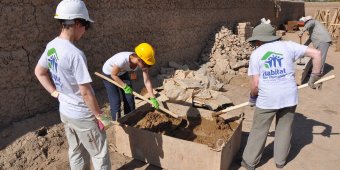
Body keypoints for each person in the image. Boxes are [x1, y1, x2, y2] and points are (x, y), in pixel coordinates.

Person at [34, 0, 111, 169]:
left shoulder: (52, 46)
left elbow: (39, 72)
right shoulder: (75, 54)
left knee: (76, 151)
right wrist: (99, 115)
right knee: (99, 153)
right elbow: (85, 93)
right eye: (86, 26)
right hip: (83, 115)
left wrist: (55, 93)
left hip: (66, 112)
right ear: (77, 23)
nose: (85, 31)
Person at [241, 23, 322, 170]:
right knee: (284, 129)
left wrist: (253, 98)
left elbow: (255, 85)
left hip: (267, 99)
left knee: (259, 130)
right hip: (289, 97)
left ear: (259, 40)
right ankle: (280, 161)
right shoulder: (288, 46)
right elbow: (317, 54)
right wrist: (315, 76)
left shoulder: (257, 54)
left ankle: (249, 162)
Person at [102, 43, 159, 120]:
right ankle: (116, 122)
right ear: (139, 60)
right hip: (109, 74)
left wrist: (152, 97)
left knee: (129, 98)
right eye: (146, 63)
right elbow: (113, 75)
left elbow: (147, 81)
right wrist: (124, 86)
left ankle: (130, 119)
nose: (147, 66)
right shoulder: (122, 60)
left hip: (122, 72)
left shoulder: (142, 63)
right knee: (116, 101)